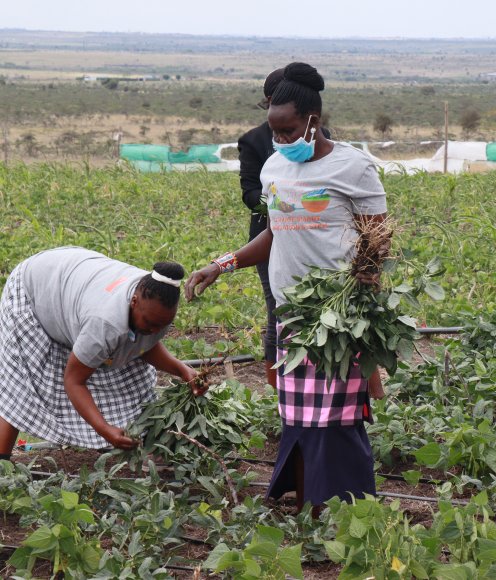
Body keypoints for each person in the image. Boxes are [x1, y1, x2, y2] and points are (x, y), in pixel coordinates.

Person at [185, 62, 385, 511]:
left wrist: (364, 321)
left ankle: (342, 510)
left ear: (313, 120)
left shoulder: (353, 167)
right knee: (296, 418)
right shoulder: (274, 167)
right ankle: (305, 503)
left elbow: (377, 243)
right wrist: (223, 264)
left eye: (290, 131)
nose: (282, 141)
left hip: (337, 316)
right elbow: (275, 231)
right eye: (276, 132)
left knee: (334, 421)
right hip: (292, 312)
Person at [0, 247, 204, 459]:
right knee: (21, 387)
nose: (154, 331)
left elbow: (145, 346)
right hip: (34, 287)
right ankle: (2, 464)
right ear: (133, 302)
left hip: (74, 280)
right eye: (151, 323)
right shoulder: (106, 323)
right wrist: (104, 430)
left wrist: (181, 370)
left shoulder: (154, 297)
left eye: (161, 326)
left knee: (135, 379)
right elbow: (73, 381)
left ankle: (149, 449)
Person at [238, 68, 332, 387]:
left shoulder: (314, 136)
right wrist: (282, 205)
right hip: (271, 238)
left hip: (313, 238)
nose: (282, 139)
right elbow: (250, 192)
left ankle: (324, 382)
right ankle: (279, 386)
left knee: (327, 313)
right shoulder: (254, 141)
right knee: (278, 312)